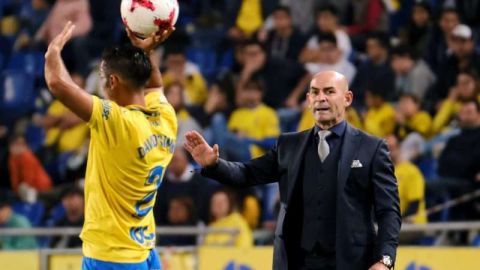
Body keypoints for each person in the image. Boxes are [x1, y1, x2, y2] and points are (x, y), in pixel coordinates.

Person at [185, 71, 401, 270]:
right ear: (308, 100)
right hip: (298, 263)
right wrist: (213, 164)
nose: (321, 98)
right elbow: (246, 173)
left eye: (329, 91)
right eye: (315, 92)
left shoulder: (372, 148)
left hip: (352, 263)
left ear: (347, 99)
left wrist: (385, 260)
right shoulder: (289, 145)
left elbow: (389, 211)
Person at [44, 22, 177, 269]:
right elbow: (156, 85)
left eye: (102, 81)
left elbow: (57, 84)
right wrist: (145, 50)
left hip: (111, 256)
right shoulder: (166, 117)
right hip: (144, 250)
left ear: (113, 82)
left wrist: (52, 54)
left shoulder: (117, 121)